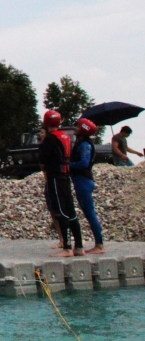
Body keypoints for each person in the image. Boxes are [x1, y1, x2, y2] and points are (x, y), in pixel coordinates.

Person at [39, 108, 84, 257]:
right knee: (71, 211)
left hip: (55, 177)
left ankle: (67, 247)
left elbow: (43, 158)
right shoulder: (66, 136)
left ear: (46, 122)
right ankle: (79, 246)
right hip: (66, 176)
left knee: (60, 212)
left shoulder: (50, 139)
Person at [71, 117, 107, 254]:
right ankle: (99, 243)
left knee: (90, 212)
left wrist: (68, 165)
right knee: (88, 212)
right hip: (81, 181)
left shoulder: (84, 145)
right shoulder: (82, 143)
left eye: (78, 126)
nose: (75, 128)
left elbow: (84, 163)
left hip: (83, 181)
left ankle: (99, 245)